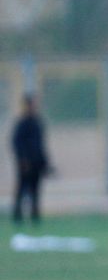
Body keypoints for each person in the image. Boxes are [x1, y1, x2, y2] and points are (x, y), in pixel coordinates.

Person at [11, 94, 50, 224]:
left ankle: (35, 216)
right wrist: (23, 160)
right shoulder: (22, 124)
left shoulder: (37, 122)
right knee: (22, 190)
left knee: (35, 191)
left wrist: (45, 163)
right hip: (25, 164)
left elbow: (40, 145)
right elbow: (17, 143)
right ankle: (17, 216)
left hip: (36, 163)